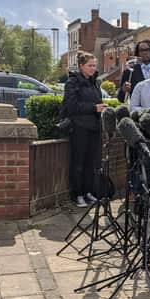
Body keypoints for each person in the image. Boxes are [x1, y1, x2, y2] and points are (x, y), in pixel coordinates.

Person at [63, 52, 108, 207]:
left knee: (91, 162)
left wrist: (101, 108)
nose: (93, 69)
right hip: (80, 127)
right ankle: (78, 194)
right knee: (78, 163)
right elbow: (71, 106)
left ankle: (89, 192)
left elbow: (97, 101)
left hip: (94, 128)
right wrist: (94, 107)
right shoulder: (72, 82)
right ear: (81, 66)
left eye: (94, 65)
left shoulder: (95, 82)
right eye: (90, 65)